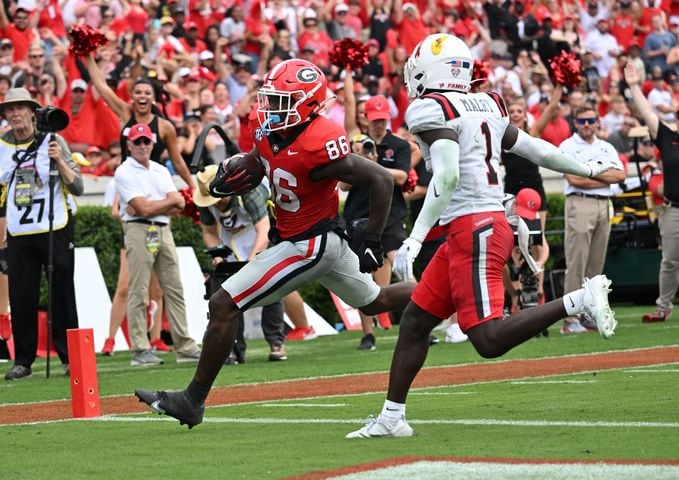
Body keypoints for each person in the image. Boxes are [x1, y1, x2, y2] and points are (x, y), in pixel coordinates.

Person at [345, 34, 618, 439]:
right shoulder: (486, 103)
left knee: (488, 339)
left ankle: (579, 298)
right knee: (416, 321)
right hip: (477, 225)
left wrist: (415, 238)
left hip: (475, 229)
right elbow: (538, 150)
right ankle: (391, 416)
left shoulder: (431, 107)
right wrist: (588, 169)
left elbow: (450, 175)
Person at [135, 58, 414, 428]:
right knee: (377, 299)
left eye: (283, 101)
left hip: (310, 242)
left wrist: (374, 240)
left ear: (308, 104)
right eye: (272, 99)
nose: (272, 108)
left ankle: (192, 400)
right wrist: (233, 178)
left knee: (223, 304)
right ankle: (448, 292)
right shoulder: (269, 128)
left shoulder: (320, 141)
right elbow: (258, 161)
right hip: (310, 241)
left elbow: (380, 179)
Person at [0, 88, 82, 380]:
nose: (16, 114)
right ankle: (23, 360)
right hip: (19, 231)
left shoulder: (54, 140)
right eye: (10, 110)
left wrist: (58, 161)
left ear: (33, 112)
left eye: (21, 108)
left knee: (62, 291)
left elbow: (79, 187)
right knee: (22, 295)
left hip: (55, 226)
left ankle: (71, 357)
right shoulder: (1, 147)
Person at [114, 123, 202, 367]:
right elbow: (143, 208)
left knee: (174, 288)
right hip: (138, 228)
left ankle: (184, 345)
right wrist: (166, 202)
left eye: (146, 142)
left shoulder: (161, 169)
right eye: (138, 142)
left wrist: (154, 204)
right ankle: (140, 349)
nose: (142, 146)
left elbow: (180, 205)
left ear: (153, 144)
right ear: (129, 145)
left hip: (163, 230)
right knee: (138, 289)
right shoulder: (123, 171)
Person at [193, 165, 287, 363]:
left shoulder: (249, 193)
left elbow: (263, 229)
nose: (216, 204)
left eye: (219, 199)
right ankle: (233, 349)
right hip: (232, 243)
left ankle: (276, 343)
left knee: (271, 289)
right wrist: (218, 254)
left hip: (264, 239)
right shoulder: (205, 199)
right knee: (227, 296)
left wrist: (253, 261)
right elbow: (209, 232)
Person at [341, 97, 412, 350]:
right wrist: (358, 159)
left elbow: (403, 177)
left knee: (402, 264)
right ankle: (368, 333)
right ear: (367, 119)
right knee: (361, 273)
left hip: (391, 215)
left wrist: (373, 165)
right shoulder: (356, 143)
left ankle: (416, 321)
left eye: (383, 120)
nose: (379, 124)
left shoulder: (399, 145)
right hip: (359, 214)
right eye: (375, 120)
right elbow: (343, 184)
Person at [559, 104, 626, 334]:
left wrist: (590, 173)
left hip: (603, 203)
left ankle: (589, 313)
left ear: (598, 122)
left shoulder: (606, 146)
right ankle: (569, 319)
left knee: (596, 264)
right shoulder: (567, 145)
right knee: (576, 261)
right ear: (575, 123)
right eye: (581, 121)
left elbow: (620, 175)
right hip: (580, 201)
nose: (586, 125)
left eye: (590, 121)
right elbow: (574, 180)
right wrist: (604, 177)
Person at [624, 63, 679, 323]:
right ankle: (663, 307)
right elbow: (647, 114)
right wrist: (634, 86)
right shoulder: (669, 138)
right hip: (674, 209)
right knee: (669, 260)